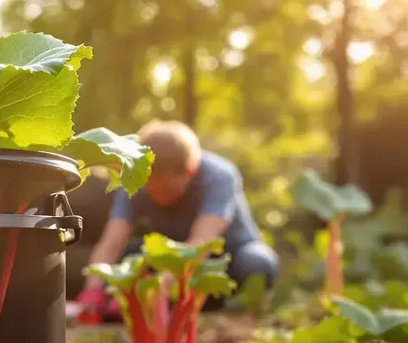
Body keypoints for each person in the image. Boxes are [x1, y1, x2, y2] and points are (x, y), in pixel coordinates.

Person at [69, 120, 278, 321]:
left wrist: (159, 291)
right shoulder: (135, 177)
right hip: (171, 260)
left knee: (257, 262)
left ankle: (230, 307)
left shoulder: (219, 176)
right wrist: (93, 290)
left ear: (189, 172)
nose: (157, 197)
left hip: (225, 258)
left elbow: (201, 243)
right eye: (151, 191)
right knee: (128, 256)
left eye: (166, 191)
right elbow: (112, 242)